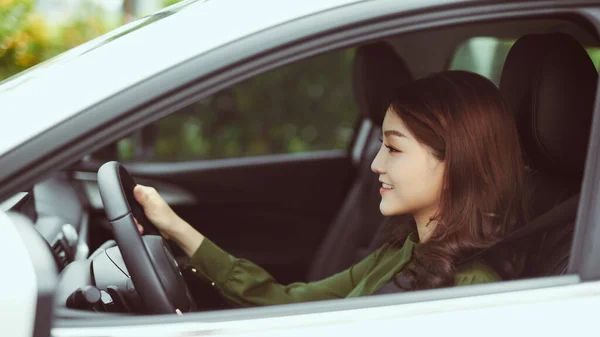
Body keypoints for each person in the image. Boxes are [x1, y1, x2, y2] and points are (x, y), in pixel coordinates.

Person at [133, 70, 525, 306]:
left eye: (393, 148)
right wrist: (174, 228)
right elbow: (287, 302)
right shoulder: (402, 251)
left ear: (455, 162)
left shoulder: (473, 291)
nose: (375, 163)